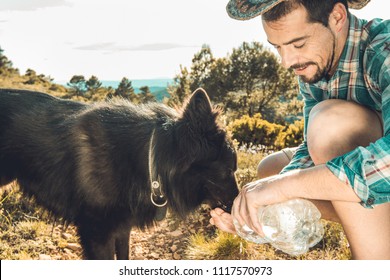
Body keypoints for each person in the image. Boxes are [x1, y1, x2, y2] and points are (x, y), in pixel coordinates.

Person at [210, 0, 390, 260]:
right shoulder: (313, 64)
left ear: (337, 17)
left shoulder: (383, 49)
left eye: (298, 44)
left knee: (331, 126)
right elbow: (310, 145)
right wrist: (257, 213)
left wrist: (283, 187)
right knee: (270, 171)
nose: (286, 61)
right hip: (370, 176)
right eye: (278, 47)